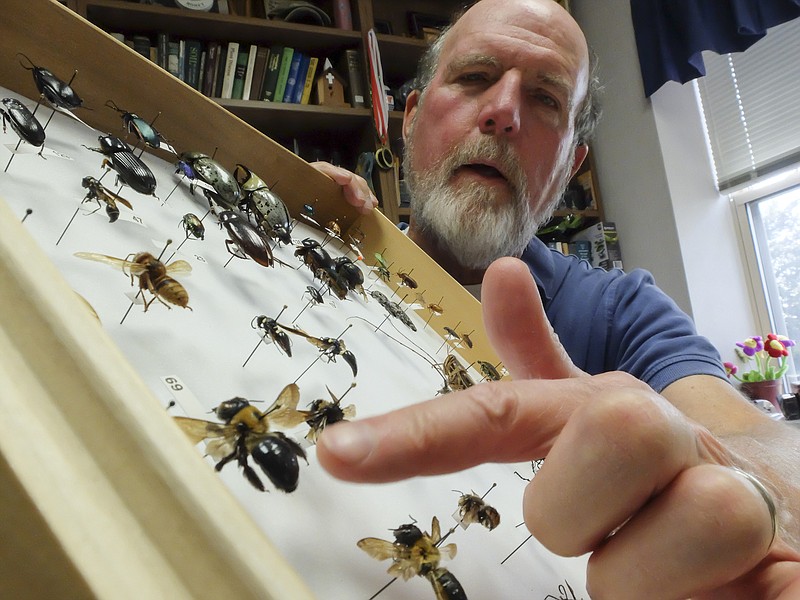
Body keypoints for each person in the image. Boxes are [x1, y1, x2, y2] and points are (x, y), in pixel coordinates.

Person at [312, 0, 800, 597]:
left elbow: (760, 437)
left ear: (572, 164)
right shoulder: (338, 249)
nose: (502, 113)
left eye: (545, 99)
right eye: (473, 78)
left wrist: (760, 493)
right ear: (410, 118)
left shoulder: (622, 313)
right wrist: (297, 234)